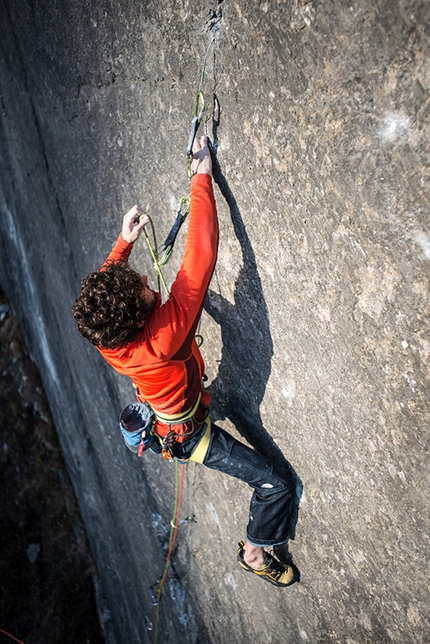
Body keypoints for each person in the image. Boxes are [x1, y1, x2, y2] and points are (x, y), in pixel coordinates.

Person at [72, 136, 299, 587]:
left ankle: (208, 406)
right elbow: (201, 255)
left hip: (169, 414)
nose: (141, 276)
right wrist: (201, 175)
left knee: (210, 404)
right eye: (139, 282)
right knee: (278, 486)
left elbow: (101, 295)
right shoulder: (165, 335)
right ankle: (255, 553)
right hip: (188, 433)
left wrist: (123, 244)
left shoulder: (107, 338)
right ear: (142, 315)